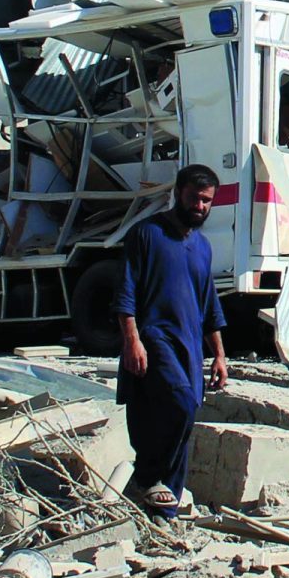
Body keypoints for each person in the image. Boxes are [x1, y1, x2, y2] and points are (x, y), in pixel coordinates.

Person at [115, 165, 229, 516]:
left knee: (187, 412)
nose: (200, 206)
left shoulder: (203, 247)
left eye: (206, 201)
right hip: (154, 339)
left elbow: (208, 304)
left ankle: (165, 511)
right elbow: (125, 293)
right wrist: (132, 340)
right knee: (178, 402)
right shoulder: (146, 234)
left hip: (189, 345)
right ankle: (147, 477)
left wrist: (220, 356)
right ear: (178, 193)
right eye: (194, 198)